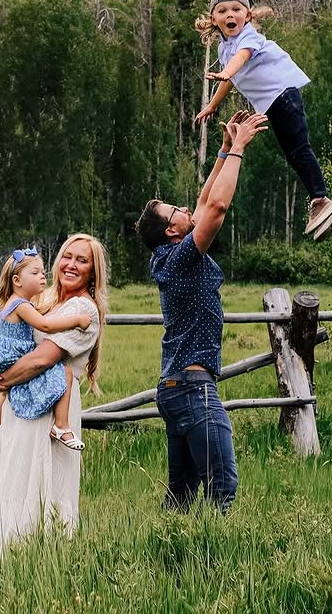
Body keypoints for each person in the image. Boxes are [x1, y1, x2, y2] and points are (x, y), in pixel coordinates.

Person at [134, 110, 268, 512]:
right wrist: (240, 149)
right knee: (222, 485)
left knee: (181, 497)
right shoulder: (181, 259)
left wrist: (223, 151)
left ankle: (168, 547)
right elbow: (217, 207)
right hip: (193, 388)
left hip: (176, 388)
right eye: (175, 210)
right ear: (171, 230)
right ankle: (213, 549)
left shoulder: (169, 256)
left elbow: (205, 202)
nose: (184, 208)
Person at [0, 233, 109, 553]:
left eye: (82, 260)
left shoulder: (83, 309)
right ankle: (5, 558)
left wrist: (2, 380)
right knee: (15, 479)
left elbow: (41, 359)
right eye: (67, 257)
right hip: (22, 400)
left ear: (93, 272)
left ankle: (42, 562)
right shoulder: (44, 299)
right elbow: (11, 339)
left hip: (51, 403)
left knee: (44, 484)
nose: (71, 265)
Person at [193, 0, 332, 241]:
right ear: (214, 19)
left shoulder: (248, 37)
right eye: (223, 11)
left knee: (300, 149)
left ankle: (321, 199)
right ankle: (318, 200)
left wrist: (227, 72)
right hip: (273, 104)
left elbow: (241, 59)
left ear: (248, 15)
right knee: (293, 154)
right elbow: (230, 78)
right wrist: (213, 105)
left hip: (283, 93)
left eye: (236, 9)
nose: (230, 14)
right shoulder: (223, 49)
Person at [0, 246, 92, 451]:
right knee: (65, 372)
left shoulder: (17, 302)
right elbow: (45, 326)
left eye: (43, 272)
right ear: (17, 280)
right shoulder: (23, 305)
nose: (42, 276)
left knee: (4, 396)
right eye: (35, 273)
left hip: (3, 357)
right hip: (14, 357)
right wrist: (77, 320)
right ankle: (61, 425)